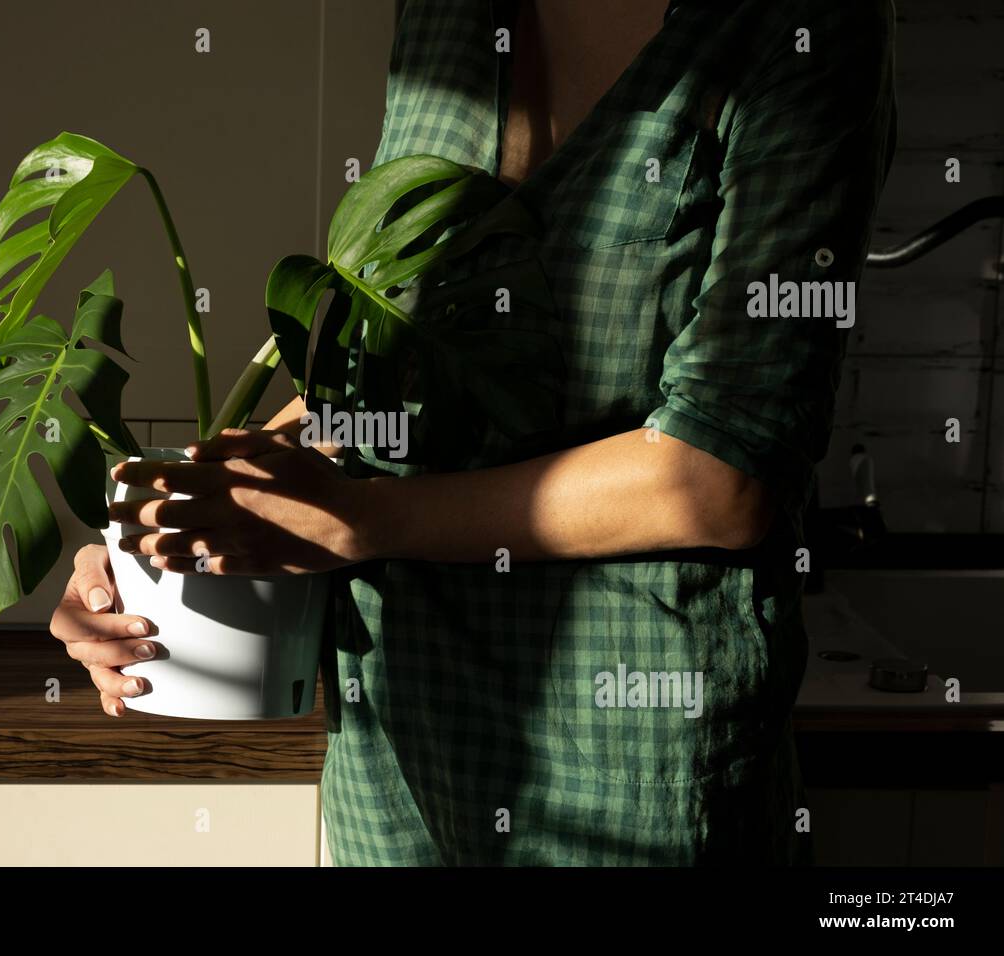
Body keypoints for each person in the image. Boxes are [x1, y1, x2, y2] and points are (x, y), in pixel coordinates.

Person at [50, 0, 897, 865]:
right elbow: (398, 369)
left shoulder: (800, 26)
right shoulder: (443, 14)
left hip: (631, 772)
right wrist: (162, 547)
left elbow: (724, 476)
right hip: (392, 760)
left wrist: (361, 518)